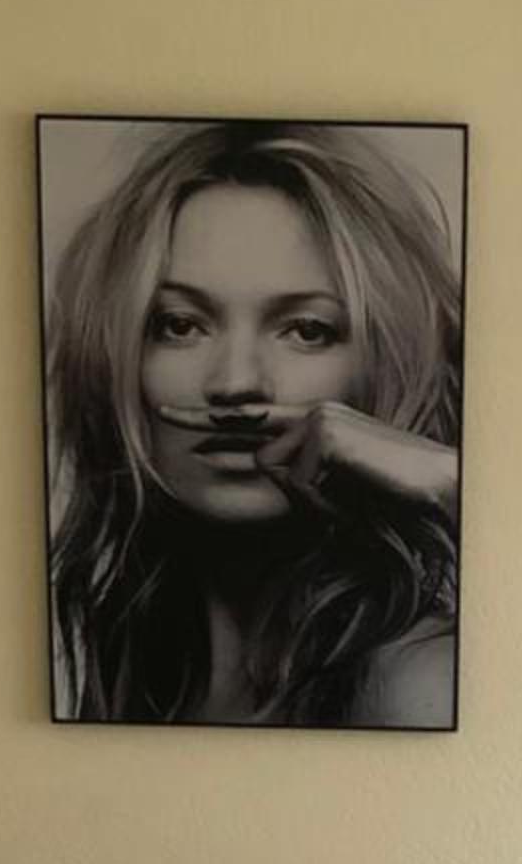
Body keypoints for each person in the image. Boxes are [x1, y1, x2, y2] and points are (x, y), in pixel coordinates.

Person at [46, 121, 461, 726]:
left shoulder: (418, 681)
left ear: (386, 359)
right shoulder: (135, 670)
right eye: (181, 325)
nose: (236, 382)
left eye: (307, 330)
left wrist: (448, 481)